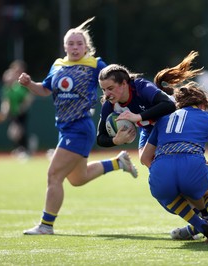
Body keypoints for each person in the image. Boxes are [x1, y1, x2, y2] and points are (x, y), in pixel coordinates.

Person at [18, 17, 138, 235]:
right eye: (71, 43)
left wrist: (124, 103)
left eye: (79, 43)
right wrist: (29, 84)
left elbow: (116, 81)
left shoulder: (95, 64)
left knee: (54, 175)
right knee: (77, 179)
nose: (75, 47)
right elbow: (45, 90)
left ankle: (46, 225)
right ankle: (118, 163)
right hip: (64, 128)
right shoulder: (57, 65)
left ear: (86, 46)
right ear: (65, 46)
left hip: (79, 127)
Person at [140, 80, 208, 243]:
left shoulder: (163, 120)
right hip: (191, 164)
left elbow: (144, 158)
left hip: (161, 170)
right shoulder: (206, 117)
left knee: (170, 198)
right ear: (203, 103)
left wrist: (160, 172)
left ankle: (199, 225)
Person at [0, 60, 34, 157]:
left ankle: (24, 149)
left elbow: (29, 97)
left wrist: (23, 107)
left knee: (17, 132)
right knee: (13, 133)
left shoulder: (21, 85)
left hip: (21, 113)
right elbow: (6, 102)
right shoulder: (7, 88)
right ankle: (23, 147)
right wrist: (3, 112)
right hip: (13, 113)